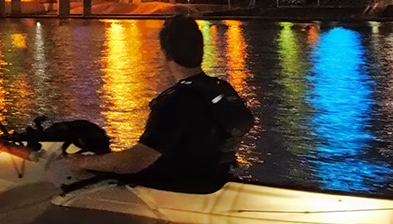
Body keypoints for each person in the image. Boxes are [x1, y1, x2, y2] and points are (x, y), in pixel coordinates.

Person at [64, 15, 254, 193]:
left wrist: (82, 162)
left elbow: (134, 161)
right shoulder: (221, 88)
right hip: (216, 182)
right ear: (201, 50)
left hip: (179, 190)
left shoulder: (174, 102)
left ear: (165, 53)